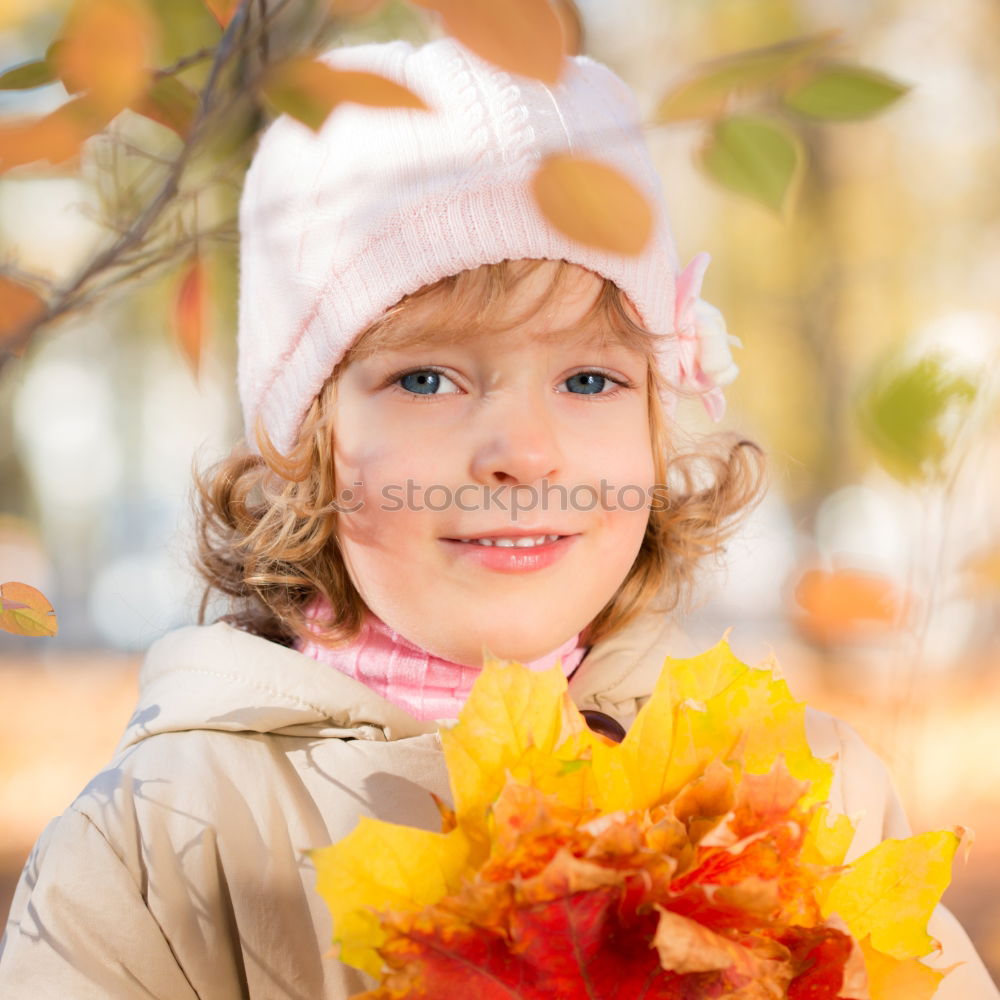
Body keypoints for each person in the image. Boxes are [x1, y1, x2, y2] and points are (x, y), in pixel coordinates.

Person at [0, 34, 996, 1000]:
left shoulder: (795, 801)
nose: (521, 450)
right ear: (306, 445)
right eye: (427, 378)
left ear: (658, 430)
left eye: (590, 377)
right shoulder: (165, 845)